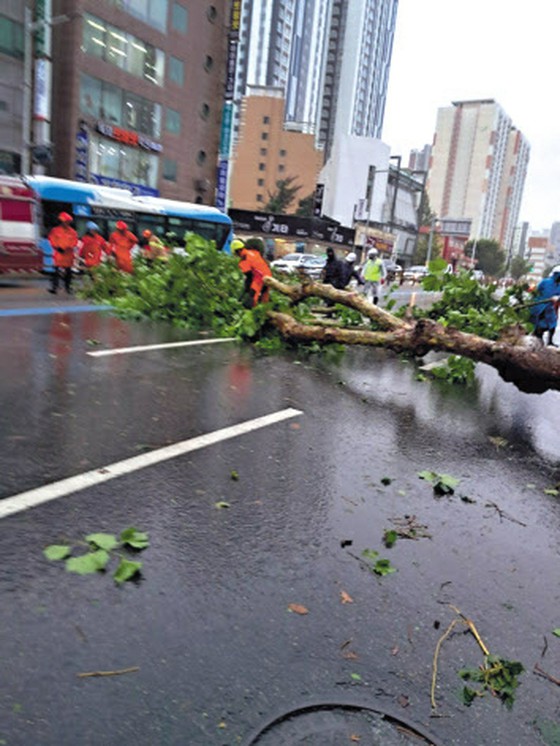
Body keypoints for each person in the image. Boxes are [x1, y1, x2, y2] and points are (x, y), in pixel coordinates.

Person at [231, 238, 272, 306]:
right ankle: (265, 310)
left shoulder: (244, 260)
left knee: (252, 299)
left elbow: (249, 276)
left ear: (238, 251)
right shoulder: (253, 252)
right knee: (264, 298)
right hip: (268, 276)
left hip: (259, 278)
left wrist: (246, 289)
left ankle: (253, 310)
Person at [47, 212, 78, 294]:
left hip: (68, 255)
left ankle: (68, 288)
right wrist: (57, 247)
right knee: (56, 272)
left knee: (68, 273)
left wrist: (67, 247)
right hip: (59, 254)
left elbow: (74, 242)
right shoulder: (55, 230)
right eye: (65, 221)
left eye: (68, 222)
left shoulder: (72, 232)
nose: (67, 223)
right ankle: (54, 288)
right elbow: (52, 239)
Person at [530, 265, 560, 346]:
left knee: (553, 324)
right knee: (540, 326)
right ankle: (538, 340)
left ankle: (550, 341)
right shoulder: (545, 282)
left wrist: (557, 298)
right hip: (540, 306)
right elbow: (537, 292)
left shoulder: (559, 285)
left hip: (549, 308)